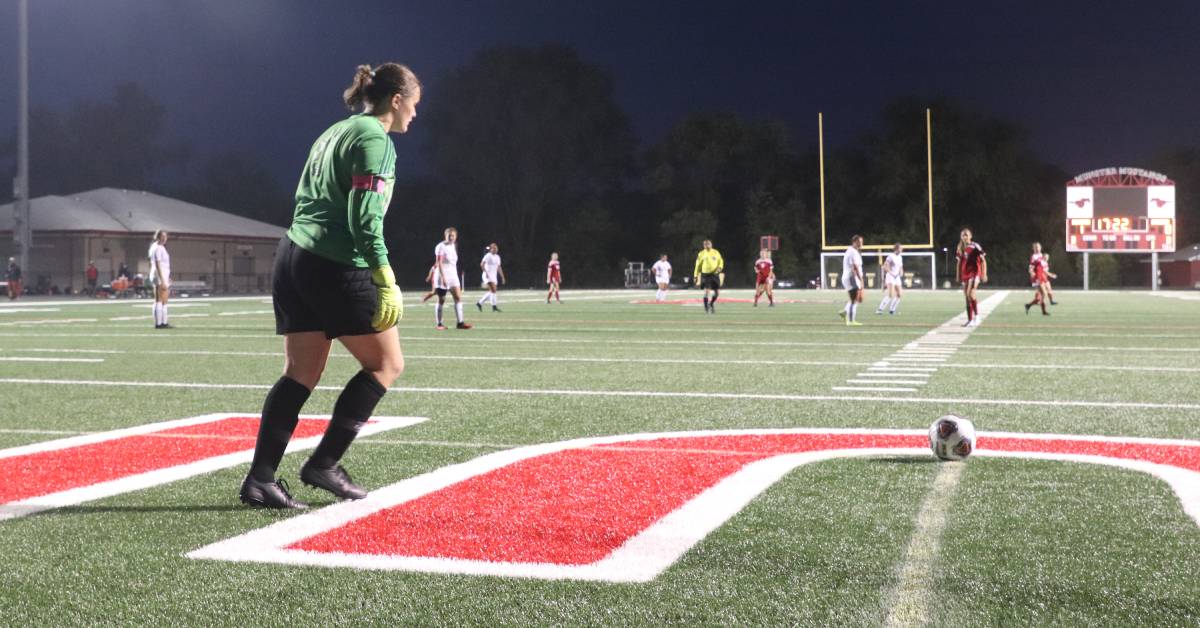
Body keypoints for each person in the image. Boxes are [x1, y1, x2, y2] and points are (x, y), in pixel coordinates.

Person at [239, 62, 418, 509]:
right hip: (335, 262)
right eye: (415, 103)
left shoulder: (334, 131)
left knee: (301, 372)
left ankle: (261, 479)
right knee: (386, 364)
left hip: (293, 254)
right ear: (397, 99)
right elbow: (364, 216)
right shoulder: (375, 139)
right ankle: (324, 464)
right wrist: (384, 273)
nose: (416, 113)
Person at [433, 227, 472, 330]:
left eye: (453, 235)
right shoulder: (440, 246)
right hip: (442, 276)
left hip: (453, 276)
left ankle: (460, 323)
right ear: (445, 236)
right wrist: (443, 278)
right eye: (449, 235)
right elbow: (439, 263)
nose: (451, 237)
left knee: (458, 297)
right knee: (441, 299)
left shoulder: (454, 245)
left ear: (456, 236)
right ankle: (439, 324)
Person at [956, 227, 987, 326]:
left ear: (970, 236)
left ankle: (977, 317)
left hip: (975, 272)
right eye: (963, 235)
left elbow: (983, 260)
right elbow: (959, 263)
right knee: (967, 296)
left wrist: (984, 273)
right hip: (965, 274)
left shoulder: (975, 246)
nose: (965, 237)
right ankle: (970, 320)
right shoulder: (960, 247)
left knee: (970, 293)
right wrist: (958, 275)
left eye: (966, 235)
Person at [692, 239, 724, 313]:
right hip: (706, 275)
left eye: (708, 244)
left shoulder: (716, 252)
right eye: (705, 244)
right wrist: (695, 276)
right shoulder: (701, 254)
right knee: (707, 292)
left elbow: (721, 262)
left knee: (717, 293)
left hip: (715, 274)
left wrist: (719, 268)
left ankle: (711, 304)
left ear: (711, 244)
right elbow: (697, 266)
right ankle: (706, 308)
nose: (707, 245)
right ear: (703, 246)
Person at [1025, 242, 1056, 316]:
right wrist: (1032, 272)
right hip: (1037, 277)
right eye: (1036, 247)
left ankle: (1029, 305)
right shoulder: (1034, 256)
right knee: (1043, 294)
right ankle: (1043, 311)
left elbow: (1042, 268)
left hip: (1041, 276)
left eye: (1038, 247)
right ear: (1033, 248)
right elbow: (1031, 266)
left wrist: (1050, 274)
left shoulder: (1041, 255)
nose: (1038, 248)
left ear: (1040, 247)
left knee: (1041, 296)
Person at [148, 230, 172, 328]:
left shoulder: (159, 247)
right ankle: (159, 324)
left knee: (164, 300)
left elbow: (163, 264)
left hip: (163, 275)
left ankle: (163, 322)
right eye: (163, 236)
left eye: (165, 236)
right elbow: (157, 264)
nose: (165, 238)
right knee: (159, 299)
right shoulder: (157, 247)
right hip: (159, 276)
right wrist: (162, 280)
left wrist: (167, 277)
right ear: (158, 237)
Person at [839, 235, 864, 326]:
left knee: (856, 299)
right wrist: (861, 279)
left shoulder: (852, 251)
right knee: (855, 299)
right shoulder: (853, 252)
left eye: (862, 242)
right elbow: (855, 267)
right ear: (854, 242)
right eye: (859, 242)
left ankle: (845, 312)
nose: (861, 244)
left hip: (850, 277)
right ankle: (850, 321)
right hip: (851, 278)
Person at [476, 243, 506, 312]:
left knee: (492, 291)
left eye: (496, 248)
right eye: (494, 248)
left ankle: (479, 303)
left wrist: (502, 277)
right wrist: (485, 272)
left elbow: (499, 267)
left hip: (494, 276)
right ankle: (494, 306)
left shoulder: (498, 257)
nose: (495, 249)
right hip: (487, 275)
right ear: (491, 249)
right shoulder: (488, 255)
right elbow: (482, 264)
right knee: (493, 290)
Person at [877, 243, 903, 315]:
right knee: (890, 294)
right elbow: (885, 266)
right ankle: (880, 309)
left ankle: (892, 310)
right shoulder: (891, 256)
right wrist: (891, 273)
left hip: (897, 277)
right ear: (896, 249)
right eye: (900, 248)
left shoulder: (900, 257)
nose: (902, 250)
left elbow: (900, 267)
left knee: (899, 294)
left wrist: (901, 272)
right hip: (890, 276)